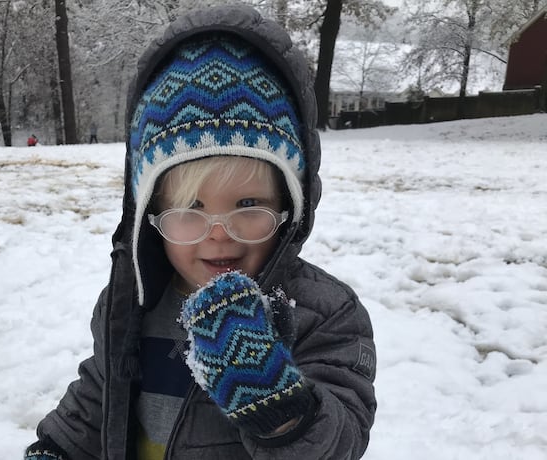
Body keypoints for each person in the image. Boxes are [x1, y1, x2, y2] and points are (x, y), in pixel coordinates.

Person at [24, 4, 376, 460]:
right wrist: (58, 450)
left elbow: (342, 441)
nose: (219, 235)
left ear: (288, 207)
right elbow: (99, 395)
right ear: (150, 216)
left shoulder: (322, 313)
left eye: (248, 206)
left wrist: (274, 402)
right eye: (190, 209)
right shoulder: (134, 303)